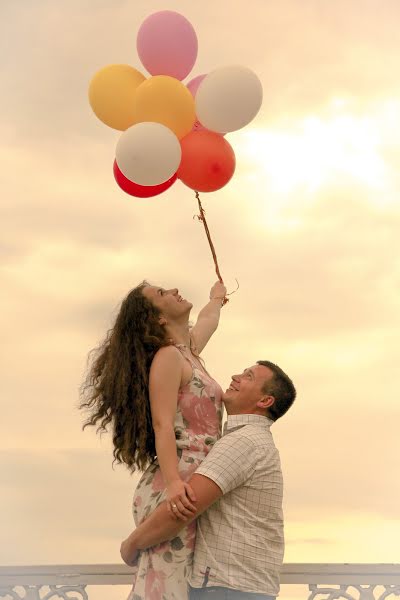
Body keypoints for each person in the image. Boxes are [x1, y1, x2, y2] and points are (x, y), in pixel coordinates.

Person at [79, 280, 227, 599]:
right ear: (157, 317)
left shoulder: (190, 353)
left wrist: (216, 299)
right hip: (179, 477)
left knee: (177, 584)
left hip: (196, 475)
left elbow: (207, 321)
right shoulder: (168, 358)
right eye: (162, 294)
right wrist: (173, 482)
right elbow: (162, 424)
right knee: (167, 588)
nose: (173, 289)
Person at [120, 360, 296, 599]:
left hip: (228, 589)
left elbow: (182, 508)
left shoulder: (243, 442)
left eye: (249, 377)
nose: (236, 376)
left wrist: (131, 545)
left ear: (265, 401)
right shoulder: (253, 441)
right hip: (241, 588)